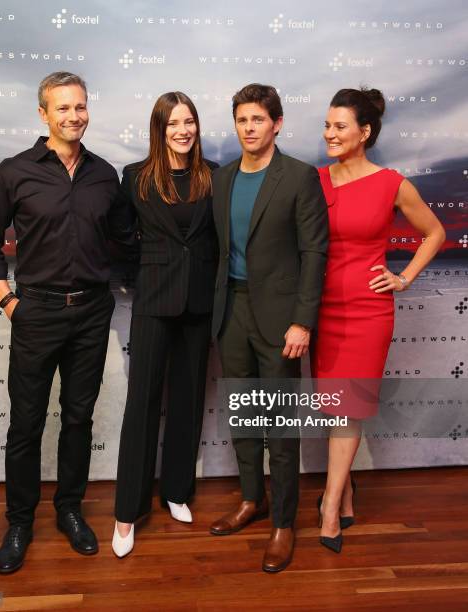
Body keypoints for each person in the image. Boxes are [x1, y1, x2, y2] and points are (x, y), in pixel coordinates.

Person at [0, 71, 135, 574]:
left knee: (79, 419)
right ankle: (19, 521)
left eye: (80, 107)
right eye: (63, 108)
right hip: (36, 312)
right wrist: (9, 302)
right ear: (43, 114)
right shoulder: (15, 171)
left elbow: (127, 237)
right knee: (25, 424)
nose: (74, 116)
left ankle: (69, 510)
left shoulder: (105, 175)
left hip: (91, 311)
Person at [312, 87, 446, 553]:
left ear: (364, 132)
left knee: (350, 405)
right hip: (320, 309)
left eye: (340, 126)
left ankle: (330, 506)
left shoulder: (390, 183)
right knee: (334, 403)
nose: (329, 133)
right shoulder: (316, 180)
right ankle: (346, 490)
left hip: (369, 312)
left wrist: (404, 276)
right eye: (327, 125)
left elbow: (435, 231)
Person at [209, 84, 329, 572]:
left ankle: (283, 523)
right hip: (230, 312)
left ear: (276, 123)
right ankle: (250, 500)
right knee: (244, 417)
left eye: (258, 119)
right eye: (241, 120)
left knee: (279, 427)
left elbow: (314, 252)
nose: (249, 128)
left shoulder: (299, 177)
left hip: (282, 321)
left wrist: (303, 320)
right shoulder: (222, 179)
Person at [112, 92, 218, 558]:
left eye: (189, 121)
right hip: (154, 300)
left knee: (188, 399)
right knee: (142, 404)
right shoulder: (135, 177)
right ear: (159, 128)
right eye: (174, 122)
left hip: (199, 302)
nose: (183, 130)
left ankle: (176, 490)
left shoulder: (215, 174)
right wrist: (137, 277)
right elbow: (120, 237)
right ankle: (126, 512)